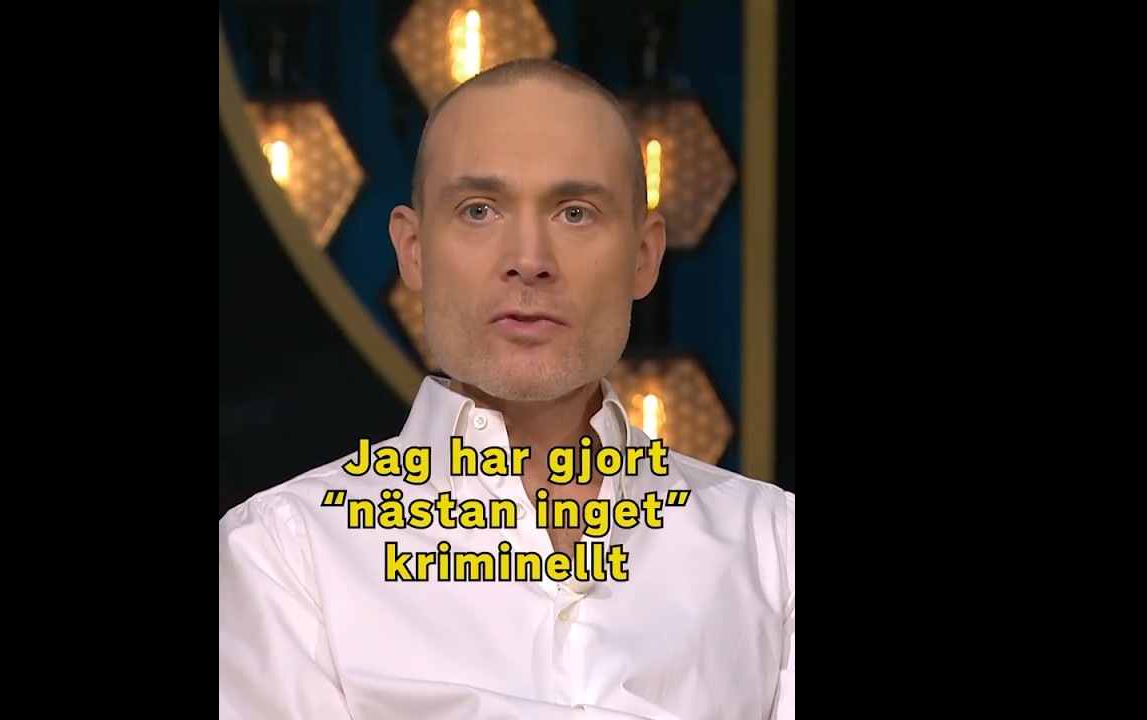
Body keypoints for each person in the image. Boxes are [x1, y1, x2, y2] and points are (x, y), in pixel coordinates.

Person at [219, 58, 794, 720]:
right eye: (480, 210)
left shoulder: (774, 548)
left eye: (575, 212)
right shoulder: (286, 556)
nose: (529, 260)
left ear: (644, 255)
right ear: (413, 250)